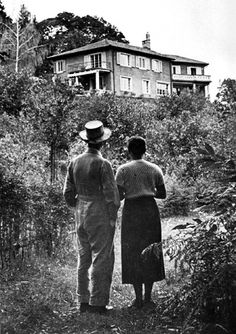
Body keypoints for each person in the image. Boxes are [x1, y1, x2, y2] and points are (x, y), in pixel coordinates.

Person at [63, 120, 120, 315]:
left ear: (87, 141)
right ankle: (98, 302)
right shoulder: (103, 164)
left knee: (83, 257)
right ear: (102, 143)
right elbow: (111, 195)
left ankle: (83, 301)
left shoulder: (75, 162)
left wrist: (77, 206)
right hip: (99, 211)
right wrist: (112, 217)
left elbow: (68, 192)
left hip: (81, 211)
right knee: (102, 257)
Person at [115, 136, 166, 310]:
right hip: (149, 210)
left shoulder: (123, 170)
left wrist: (131, 190)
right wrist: (148, 190)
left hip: (132, 211)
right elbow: (162, 194)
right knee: (150, 250)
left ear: (129, 151)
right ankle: (148, 298)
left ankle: (137, 299)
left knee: (133, 251)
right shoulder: (154, 169)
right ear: (145, 150)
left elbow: (119, 195)